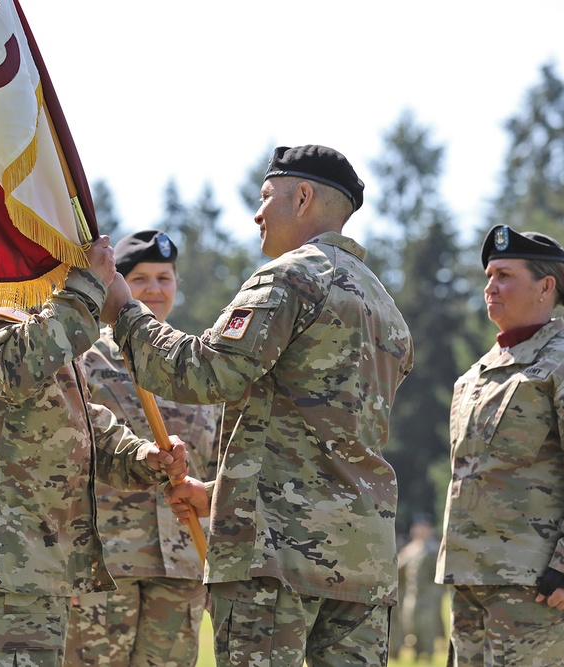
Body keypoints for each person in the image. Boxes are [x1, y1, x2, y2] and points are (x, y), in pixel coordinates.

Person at [102, 144, 414, 666]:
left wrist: (124, 313)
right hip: (361, 558)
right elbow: (321, 433)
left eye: (267, 196)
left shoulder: (293, 277)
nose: (257, 212)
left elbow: (205, 371)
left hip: (277, 559)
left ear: (304, 198)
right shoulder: (385, 305)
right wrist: (223, 499)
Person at [0, 237, 190, 667]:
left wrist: (141, 457)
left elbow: (71, 419)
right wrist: (88, 290)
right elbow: (12, 367)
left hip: (15, 563)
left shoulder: (46, 305)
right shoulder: (4, 289)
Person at [436, 225, 564, 666]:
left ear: (546, 287)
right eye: (488, 275)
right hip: (472, 585)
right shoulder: (474, 378)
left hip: (542, 590)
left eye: (504, 275)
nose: (491, 286)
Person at [64, 230, 220, 667]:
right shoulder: (87, 359)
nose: (154, 289)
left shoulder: (195, 366)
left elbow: (223, 460)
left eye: (165, 278)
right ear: (117, 285)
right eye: (140, 278)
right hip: (106, 564)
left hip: (182, 565)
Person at [397, 514, 444, 662]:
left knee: (427, 626)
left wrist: (436, 595)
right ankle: (416, 653)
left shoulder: (433, 549)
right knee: (411, 624)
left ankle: (428, 654)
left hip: (428, 596)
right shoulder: (410, 549)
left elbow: (437, 575)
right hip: (411, 595)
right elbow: (399, 571)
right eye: (416, 527)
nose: (418, 530)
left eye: (422, 527)